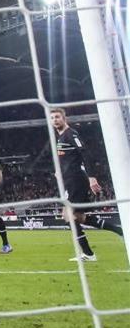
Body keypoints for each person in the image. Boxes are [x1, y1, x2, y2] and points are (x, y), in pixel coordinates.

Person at [51, 108, 123, 262]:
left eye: (57, 117)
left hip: (76, 180)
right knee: (79, 217)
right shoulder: (61, 137)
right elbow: (67, 159)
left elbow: (85, 153)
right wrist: (59, 171)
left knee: (67, 215)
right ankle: (119, 230)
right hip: (70, 180)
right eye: (52, 118)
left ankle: (89, 254)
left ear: (64, 118)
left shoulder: (71, 134)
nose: (55, 120)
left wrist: (91, 177)